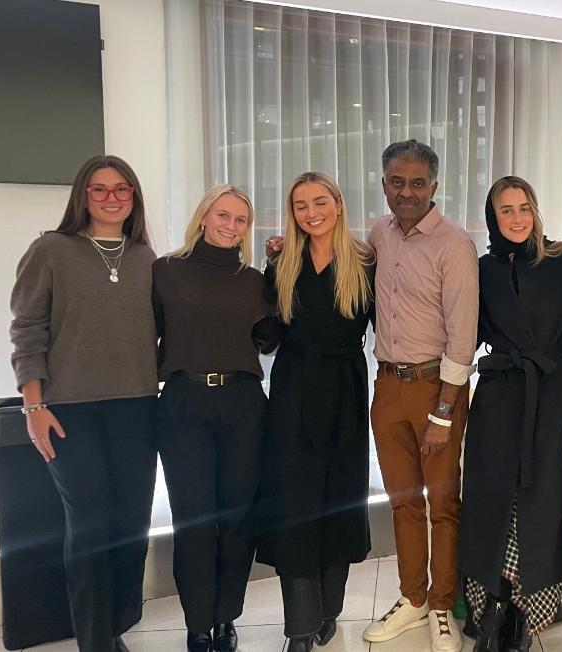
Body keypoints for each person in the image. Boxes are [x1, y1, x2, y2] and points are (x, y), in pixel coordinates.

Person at [10, 154, 158, 652]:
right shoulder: (50, 250)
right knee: (91, 528)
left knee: (132, 526)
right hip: (69, 412)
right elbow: (27, 330)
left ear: (133, 197)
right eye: (100, 189)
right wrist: (33, 407)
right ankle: (95, 641)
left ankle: (114, 627)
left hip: (138, 408)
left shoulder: (146, 258)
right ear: (83, 196)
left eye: (121, 189)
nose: (111, 197)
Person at [363, 139, 478, 652]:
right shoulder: (379, 234)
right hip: (387, 386)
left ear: (434, 186)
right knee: (403, 501)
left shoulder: (454, 245)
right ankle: (412, 598)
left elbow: (462, 338)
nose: (406, 192)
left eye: (416, 183)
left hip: (437, 389)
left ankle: (442, 605)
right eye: (396, 182)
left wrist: (444, 413)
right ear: (384, 184)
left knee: (443, 504)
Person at [459, 177, 562, 652]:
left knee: (540, 501)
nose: (516, 218)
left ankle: (526, 611)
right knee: (493, 498)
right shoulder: (483, 267)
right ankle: (494, 605)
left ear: (535, 210)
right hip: (498, 396)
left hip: (553, 397)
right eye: (505, 209)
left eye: (523, 207)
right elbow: (460, 323)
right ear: (493, 217)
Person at [256, 172, 376, 652]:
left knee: (339, 498)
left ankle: (329, 609)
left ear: (339, 204)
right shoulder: (282, 261)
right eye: (301, 205)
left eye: (320, 201)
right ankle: (300, 625)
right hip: (294, 389)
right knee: (296, 502)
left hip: (346, 388)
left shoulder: (366, 261)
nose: (311, 213)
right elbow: (266, 332)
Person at [152, 184, 273, 652]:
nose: (231, 225)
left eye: (241, 219)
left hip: (243, 402)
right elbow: (146, 337)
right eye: (223, 215)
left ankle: (226, 617)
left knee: (238, 516)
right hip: (184, 403)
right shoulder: (166, 271)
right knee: (194, 517)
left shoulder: (254, 280)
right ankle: (198, 621)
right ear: (204, 216)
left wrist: (281, 272)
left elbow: (269, 340)